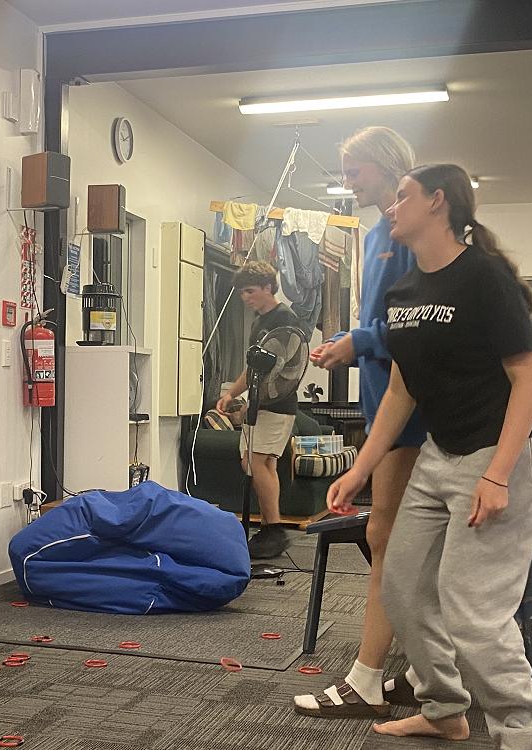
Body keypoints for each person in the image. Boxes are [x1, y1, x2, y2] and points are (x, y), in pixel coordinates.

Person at [328, 164, 532, 748]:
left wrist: (498, 476)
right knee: (402, 585)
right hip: (442, 449)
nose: (391, 206)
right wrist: (361, 467)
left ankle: (526, 734)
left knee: (471, 608)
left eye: (403, 196)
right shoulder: (404, 293)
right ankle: (443, 709)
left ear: (438, 202)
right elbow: (401, 391)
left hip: (505, 446)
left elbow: (529, 379)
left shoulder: (483, 278)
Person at [296, 126, 427, 717]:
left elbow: (420, 324)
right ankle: (424, 675)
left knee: (385, 540)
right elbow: (383, 322)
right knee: (397, 543)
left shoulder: (409, 232)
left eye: (355, 171)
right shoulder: (376, 233)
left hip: (411, 416)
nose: (347, 182)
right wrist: (350, 342)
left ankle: (367, 680)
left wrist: (359, 340)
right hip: (383, 407)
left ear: (387, 165)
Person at [216, 261, 300, 559]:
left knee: (255, 461)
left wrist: (251, 397)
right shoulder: (259, 322)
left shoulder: (285, 319)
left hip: (277, 405)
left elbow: (281, 368)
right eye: (242, 292)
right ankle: (269, 528)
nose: (245, 297)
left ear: (268, 287)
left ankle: (274, 529)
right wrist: (231, 393)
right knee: (259, 463)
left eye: (250, 291)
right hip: (259, 404)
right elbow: (253, 369)